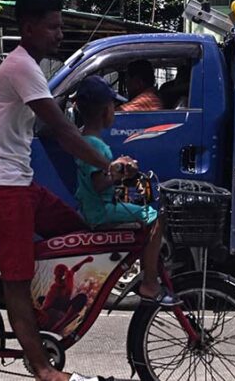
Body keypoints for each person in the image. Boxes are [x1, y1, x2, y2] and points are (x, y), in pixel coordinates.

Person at [0, 0, 134, 381]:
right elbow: (62, 129)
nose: (60, 33)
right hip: (2, 186)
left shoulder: (31, 69)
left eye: (61, 25)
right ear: (28, 29)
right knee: (18, 277)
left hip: (18, 183)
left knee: (79, 235)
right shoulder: (22, 67)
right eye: (53, 26)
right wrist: (107, 165)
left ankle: (29, 309)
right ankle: (41, 366)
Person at [72, 76, 178, 306]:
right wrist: (119, 171)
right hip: (101, 211)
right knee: (156, 217)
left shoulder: (84, 139)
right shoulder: (95, 145)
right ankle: (150, 281)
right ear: (105, 112)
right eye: (113, 107)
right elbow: (98, 183)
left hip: (93, 207)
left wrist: (118, 168)